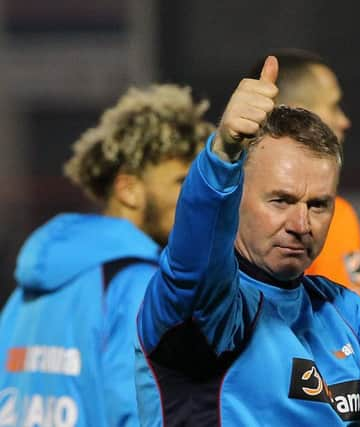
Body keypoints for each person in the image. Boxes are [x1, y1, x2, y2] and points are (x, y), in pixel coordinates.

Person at [135, 56, 360, 427]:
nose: (301, 224)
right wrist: (223, 154)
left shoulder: (339, 311)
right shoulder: (207, 310)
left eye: (318, 205)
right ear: (237, 197)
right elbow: (194, 253)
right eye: (281, 200)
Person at [0, 85, 214, 427]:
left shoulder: (25, 293)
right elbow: (144, 414)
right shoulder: (140, 286)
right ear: (128, 189)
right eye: (181, 182)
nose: (196, 199)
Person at [249, 49, 360, 425]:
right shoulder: (329, 217)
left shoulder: (204, 215)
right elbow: (356, 355)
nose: (344, 121)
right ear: (294, 113)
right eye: (333, 106)